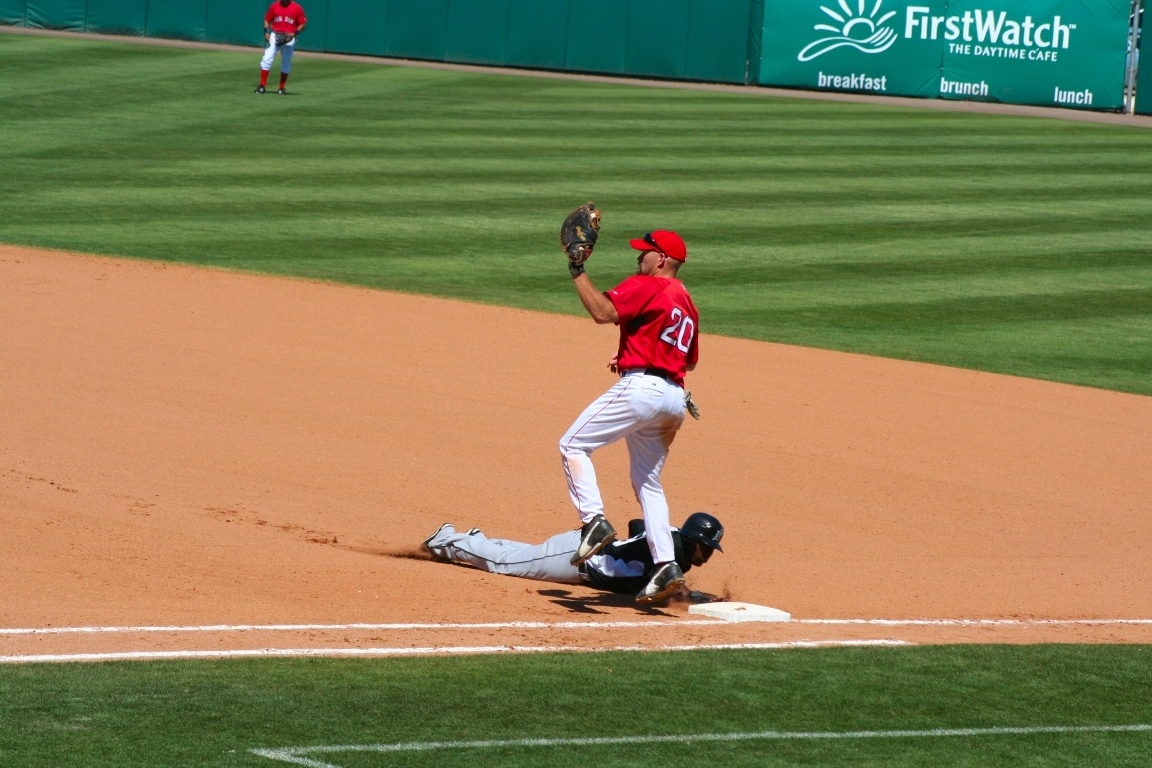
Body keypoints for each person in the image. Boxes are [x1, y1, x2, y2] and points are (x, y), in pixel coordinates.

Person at [562, 228, 701, 604]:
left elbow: (602, 312)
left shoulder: (650, 285)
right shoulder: (685, 299)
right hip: (674, 398)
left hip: (644, 391)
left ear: (661, 259)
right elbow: (687, 358)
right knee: (648, 482)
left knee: (573, 445)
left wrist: (577, 268)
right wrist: (631, 355)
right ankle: (666, 564)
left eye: (644, 253)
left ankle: (593, 522)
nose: (639, 259)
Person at [421, 513, 723, 598]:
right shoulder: (669, 546)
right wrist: (695, 597)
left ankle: (477, 541)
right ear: (693, 539)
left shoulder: (671, 543)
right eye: (707, 547)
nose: (708, 554)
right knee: (504, 565)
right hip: (577, 559)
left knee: (522, 555)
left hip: (584, 554)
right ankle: (445, 540)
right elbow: (677, 589)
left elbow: (636, 524)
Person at [256, 0, 306, 94]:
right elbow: (267, 19)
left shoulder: (297, 8)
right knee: (267, 58)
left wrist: (294, 34)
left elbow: (302, 24)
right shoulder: (275, 5)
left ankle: (281, 87)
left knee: (286, 62)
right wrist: (266, 31)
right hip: (275, 35)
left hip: (289, 37)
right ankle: (262, 85)